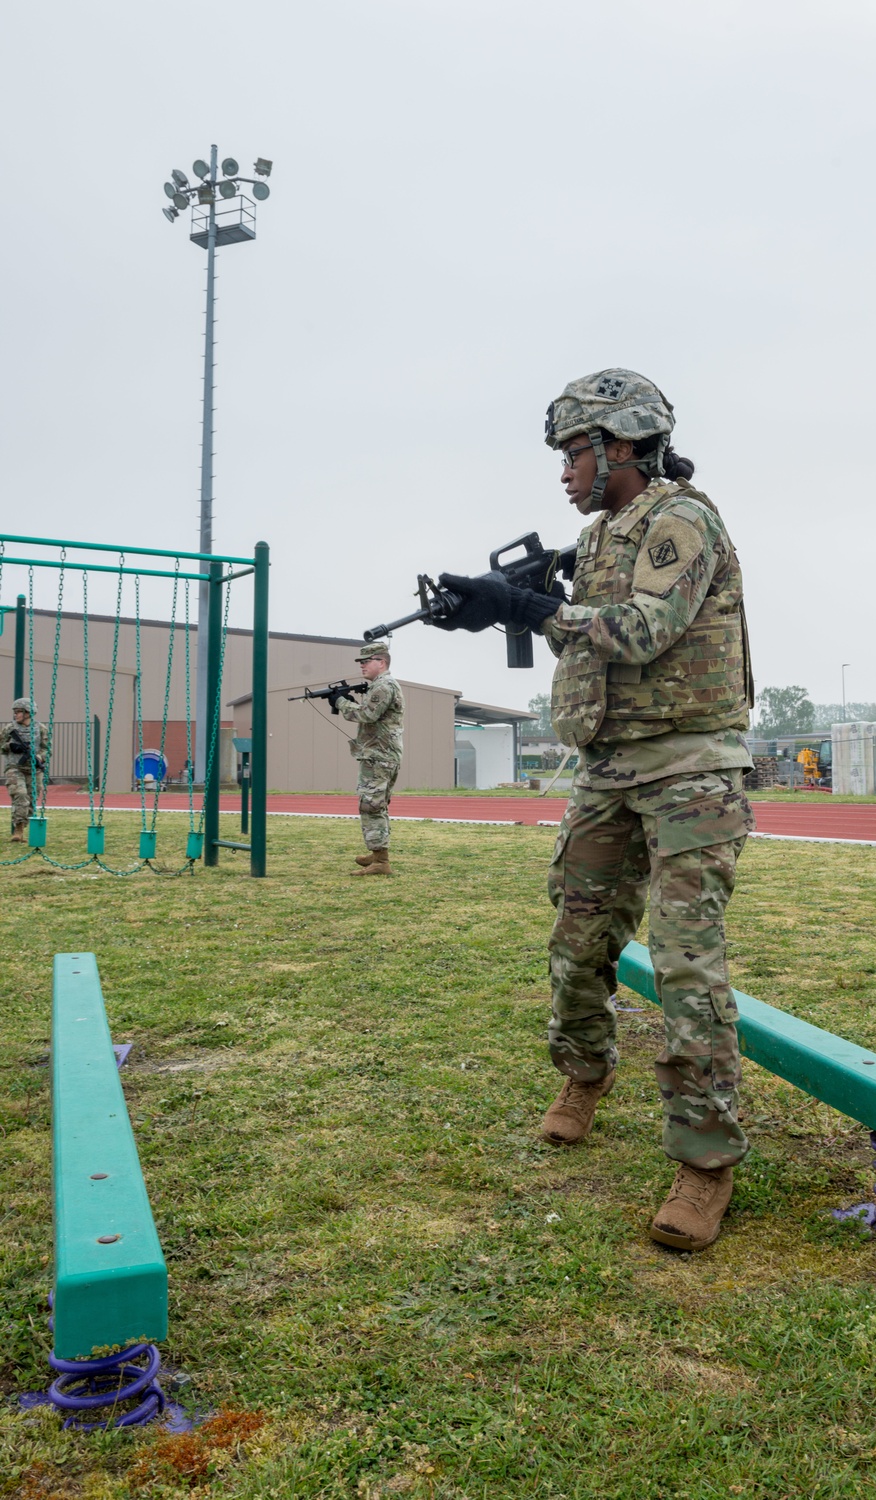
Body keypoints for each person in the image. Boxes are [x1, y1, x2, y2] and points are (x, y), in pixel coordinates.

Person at [430, 370, 755, 1252]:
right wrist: (497, 608)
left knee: (687, 964)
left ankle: (704, 1161)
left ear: (621, 444)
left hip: (691, 767)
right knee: (577, 941)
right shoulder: (604, 534)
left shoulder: (681, 518)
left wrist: (533, 605)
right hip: (609, 768)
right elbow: (585, 623)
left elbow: (643, 630)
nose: (565, 471)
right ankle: (583, 1075)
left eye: (575, 452)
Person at [338, 643, 405, 876]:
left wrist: (341, 703)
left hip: (379, 756)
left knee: (371, 805)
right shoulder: (380, 685)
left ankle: (381, 862)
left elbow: (367, 714)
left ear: (382, 662)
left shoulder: (383, 686)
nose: (362, 665)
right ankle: (378, 855)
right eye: (360, 661)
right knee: (377, 805)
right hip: (381, 754)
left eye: (367, 660)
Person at [1, 697, 48, 843]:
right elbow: (1, 745)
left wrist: (39, 758)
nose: (15, 715)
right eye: (15, 712)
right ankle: (18, 830)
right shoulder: (10, 729)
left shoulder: (41, 729)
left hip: (33, 769)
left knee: (31, 799)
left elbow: (47, 749)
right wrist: (10, 746)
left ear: (28, 712)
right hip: (15, 767)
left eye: (18, 712)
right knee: (20, 795)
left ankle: (24, 825)